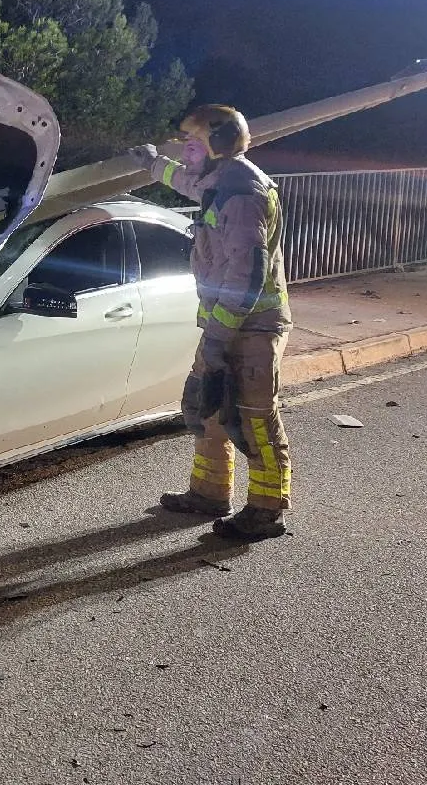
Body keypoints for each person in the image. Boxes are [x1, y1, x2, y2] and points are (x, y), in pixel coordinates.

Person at [128, 105, 292, 540]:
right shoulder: (219, 179)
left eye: (193, 144)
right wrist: (152, 164)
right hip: (224, 323)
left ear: (217, 146)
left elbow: (246, 276)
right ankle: (209, 494)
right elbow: (187, 181)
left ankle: (267, 510)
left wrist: (218, 338)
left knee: (255, 419)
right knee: (208, 408)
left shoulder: (242, 194)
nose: (185, 151)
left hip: (254, 327)